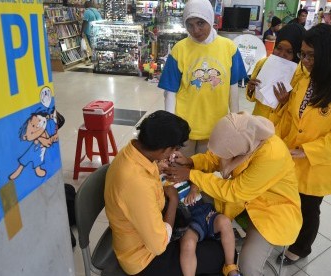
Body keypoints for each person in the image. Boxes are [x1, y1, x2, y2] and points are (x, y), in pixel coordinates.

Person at [163, 112, 302, 276]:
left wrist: (191, 175)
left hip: (272, 211)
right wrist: (190, 162)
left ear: (239, 149)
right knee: (207, 205)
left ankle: (232, 266)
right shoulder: (244, 133)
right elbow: (216, 158)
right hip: (242, 201)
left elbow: (235, 191)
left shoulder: (272, 153)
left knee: (248, 266)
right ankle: (225, 253)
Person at [104, 110, 225, 276]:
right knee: (219, 254)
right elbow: (159, 245)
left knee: (206, 239)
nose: (173, 155)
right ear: (165, 149)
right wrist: (173, 202)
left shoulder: (133, 152)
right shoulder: (136, 183)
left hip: (144, 231)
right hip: (143, 259)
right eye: (174, 150)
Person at [271, 23, 331, 266]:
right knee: (290, 200)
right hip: (290, 157)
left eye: (310, 55)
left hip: (316, 165)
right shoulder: (305, 80)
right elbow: (291, 117)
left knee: (309, 207)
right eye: (302, 54)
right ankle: (287, 232)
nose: (303, 60)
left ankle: (302, 247)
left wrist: (306, 150)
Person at [158, 0, 247, 157]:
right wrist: (170, 127)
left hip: (215, 126)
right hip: (183, 126)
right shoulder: (179, 49)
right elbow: (170, 92)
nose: (196, 30)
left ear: (210, 20)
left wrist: (235, 122)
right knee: (180, 172)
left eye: (201, 23)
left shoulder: (229, 48)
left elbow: (233, 88)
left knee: (204, 175)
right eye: (190, 25)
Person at [158, 158, 240, 276]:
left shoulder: (177, 168)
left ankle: (231, 267)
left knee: (225, 222)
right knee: (188, 244)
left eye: (168, 158)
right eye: (161, 160)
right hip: (187, 220)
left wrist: (193, 190)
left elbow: (196, 178)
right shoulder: (155, 181)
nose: (167, 161)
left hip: (204, 211)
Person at [247, 23, 305, 118]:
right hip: (258, 120)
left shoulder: (301, 74)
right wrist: (251, 89)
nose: (281, 55)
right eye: (279, 48)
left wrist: (286, 102)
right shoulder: (263, 63)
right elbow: (253, 97)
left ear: (298, 53)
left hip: (280, 127)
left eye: (289, 52)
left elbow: (299, 113)